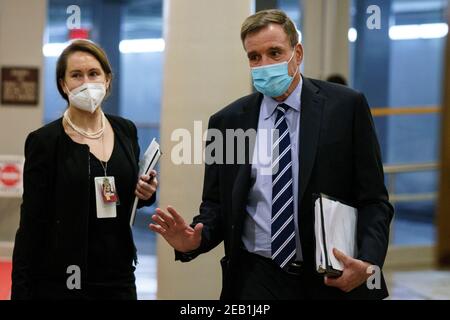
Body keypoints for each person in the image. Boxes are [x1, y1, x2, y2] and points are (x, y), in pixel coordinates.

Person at [150, 9, 393, 300]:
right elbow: (216, 205)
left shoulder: (345, 107)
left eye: (275, 53)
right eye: (254, 57)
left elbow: (374, 200)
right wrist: (194, 240)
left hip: (329, 276)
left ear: (297, 53)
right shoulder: (227, 122)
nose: (264, 64)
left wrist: (368, 261)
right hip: (255, 276)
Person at [11, 39, 158, 300]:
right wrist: (20, 291)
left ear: (108, 80)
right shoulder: (45, 141)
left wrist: (146, 192)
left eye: (94, 73)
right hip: (65, 277)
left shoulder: (125, 130)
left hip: (119, 274)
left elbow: (131, 195)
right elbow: (31, 223)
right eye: (76, 75)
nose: (86, 82)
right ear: (63, 84)